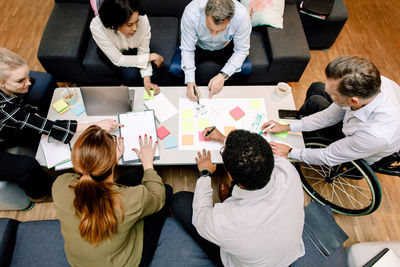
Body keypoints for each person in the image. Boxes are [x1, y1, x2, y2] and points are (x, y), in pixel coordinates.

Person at [172, 129, 305, 266]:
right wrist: (224, 139)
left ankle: (227, 198)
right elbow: (253, 157)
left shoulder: (225, 222)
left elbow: (201, 219)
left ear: (230, 175)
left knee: (180, 201)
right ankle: (229, 197)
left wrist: (205, 174)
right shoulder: (288, 170)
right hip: (284, 253)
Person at [0, 47, 119, 200]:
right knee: (27, 167)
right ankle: (44, 193)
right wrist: (95, 125)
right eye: (20, 80)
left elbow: (28, 117)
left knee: (42, 134)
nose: (28, 82)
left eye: (27, 76)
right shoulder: (4, 109)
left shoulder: (9, 93)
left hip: (7, 127)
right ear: (2, 83)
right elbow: (46, 126)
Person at [53, 125, 172, 267]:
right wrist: (147, 164)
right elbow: (158, 197)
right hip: (123, 263)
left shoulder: (61, 184)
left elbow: (89, 178)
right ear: (114, 159)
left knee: (132, 175)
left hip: (78, 262)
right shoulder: (128, 200)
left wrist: (109, 158)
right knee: (166, 190)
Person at [262, 56, 400, 166]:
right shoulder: (375, 82)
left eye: (333, 93)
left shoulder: (375, 135)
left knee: (315, 102)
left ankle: (304, 141)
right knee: (317, 88)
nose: (328, 92)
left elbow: (328, 156)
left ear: (353, 101)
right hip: (356, 123)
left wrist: (290, 151)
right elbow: (328, 116)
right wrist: (285, 127)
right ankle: (304, 130)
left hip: (359, 145)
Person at [169, 0, 252, 101]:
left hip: (226, 46)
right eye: (210, 28)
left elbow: (241, 50)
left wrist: (223, 76)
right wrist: (190, 82)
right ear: (204, 11)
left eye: (220, 30)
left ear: (231, 18)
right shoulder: (191, 11)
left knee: (246, 68)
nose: (214, 34)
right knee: (175, 68)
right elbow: (188, 49)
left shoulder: (242, 15)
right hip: (198, 46)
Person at [90, 0, 164, 95]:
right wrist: (150, 56)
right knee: (131, 76)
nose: (135, 28)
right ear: (115, 23)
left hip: (134, 48)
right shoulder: (97, 27)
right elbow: (119, 59)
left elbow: (144, 51)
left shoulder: (142, 19)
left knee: (153, 74)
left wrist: (147, 78)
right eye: (129, 25)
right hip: (113, 51)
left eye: (136, 22)